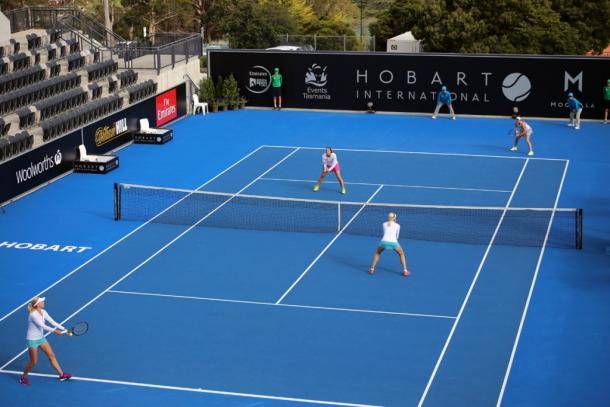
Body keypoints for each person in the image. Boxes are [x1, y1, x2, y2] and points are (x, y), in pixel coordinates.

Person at [20, 297, 71, 385]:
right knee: (34, 361)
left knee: (51, 355)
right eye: (42, 301)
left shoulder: (43, 312)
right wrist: (55, 331)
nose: (43, 302)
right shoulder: (33, 315)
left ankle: (61, 375)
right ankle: (23, 377)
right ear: (37, 305)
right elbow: (43, 326)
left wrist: (64, 328)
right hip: (32, 340)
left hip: (41, 338)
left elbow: (52, 322)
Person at [369, 212, 410, 276]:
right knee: (401, 254)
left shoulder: (383, 224)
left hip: (383, 242)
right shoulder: (398, 225)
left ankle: (371, 269)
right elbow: (397, 237)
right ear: (394, 218)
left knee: (377, 253)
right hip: (394, 243)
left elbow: (385, 233)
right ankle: (405, 271)